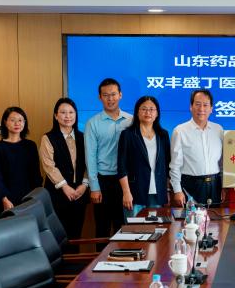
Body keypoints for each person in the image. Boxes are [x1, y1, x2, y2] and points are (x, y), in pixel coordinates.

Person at [85, 78, 132, 239]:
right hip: (103, 181)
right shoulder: (92, 123)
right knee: (102, 228)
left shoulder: (131, 120)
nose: (110, 99)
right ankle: (100, 256)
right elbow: (90, 156)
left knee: (124, 226)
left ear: (120, 95)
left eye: (113, 94)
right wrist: (94, 187)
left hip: (126, 181)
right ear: (100, 97)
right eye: (105, 95)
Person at [39, 98, 89, 244]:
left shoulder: (83, 137)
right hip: (57, 193)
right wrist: (64, 186)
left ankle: (74, 260)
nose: (67, 116)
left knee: (76, 234)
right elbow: (49, 165)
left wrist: (85, 184)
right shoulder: (48, 138)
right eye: (63, 112)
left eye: (71, 112)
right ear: (56, 116)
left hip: (80, 192)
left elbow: (90, 162)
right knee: (58, 236)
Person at [118, 96, 171, 218]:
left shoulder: (163, 135)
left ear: (157, 113)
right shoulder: (128, 135)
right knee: (134, 228)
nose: (148, 112)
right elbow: (122, 166)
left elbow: (167, 165)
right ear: (137, 112)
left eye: (152, 109)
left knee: (155, 227)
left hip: (157, 193)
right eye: (144, 109)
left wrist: (167, 190)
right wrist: (126, 192)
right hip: (135, 193)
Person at [170, 89, 223, 207]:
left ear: (211, 108)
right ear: (191, 106)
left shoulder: (218, 130)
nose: (201, 109)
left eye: (205, 105)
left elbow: (222, 163)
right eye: (198, 104)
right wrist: (177, 190)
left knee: (215, 218)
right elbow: (175, 165)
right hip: (191, 185)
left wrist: (224, 186)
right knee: (192, 218)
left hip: (215, 185)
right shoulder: (180, 131)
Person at [0, 106, 42, 217]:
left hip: (29, 199)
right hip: (6, 200)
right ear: (5, 122)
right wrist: (4, 199)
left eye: (20, 120)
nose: (17, 123)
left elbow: (36, 175)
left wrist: (36, 198)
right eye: (12, 120)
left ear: (24, 122)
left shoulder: (31, 146)